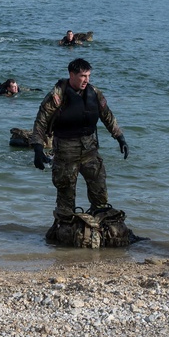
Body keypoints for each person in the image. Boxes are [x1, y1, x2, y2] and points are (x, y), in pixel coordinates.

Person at [31, 58, 128, 217]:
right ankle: (65, 231)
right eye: (83, 76)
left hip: (90, 149)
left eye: (88, 75)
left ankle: (99, 226)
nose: (86, 80)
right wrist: (37, 148)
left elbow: (107, 116)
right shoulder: (57, 95)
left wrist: (120, 138)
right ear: (72, 74)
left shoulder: (94, 93)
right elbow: (41, 122)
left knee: (100, 191)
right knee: (66, 196)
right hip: (65, 151)